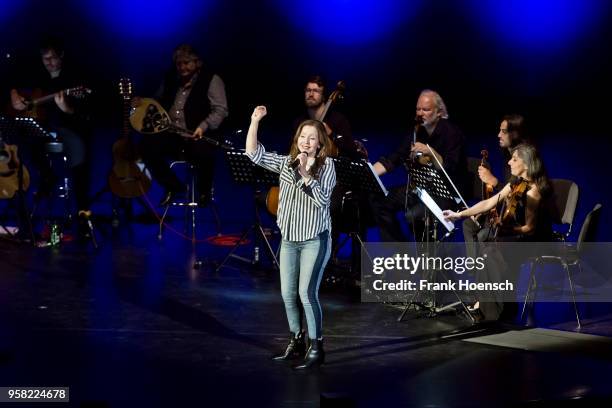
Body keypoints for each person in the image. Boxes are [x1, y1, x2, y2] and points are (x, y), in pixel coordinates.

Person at [246, 105, 336, 370]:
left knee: (306, 293)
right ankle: (296, 341)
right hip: (289, 239)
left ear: (320, 143)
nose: (306, 142)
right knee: (287, 294)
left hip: (314, 239)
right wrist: (255, 121)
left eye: (311, 138)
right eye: (302, 137)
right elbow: (254, 154)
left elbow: (322, 200)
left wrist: (306, 174)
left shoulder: (326, 166)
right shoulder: (287, 162)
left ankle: (316, 346)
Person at [443, 143, 552, 321]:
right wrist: (459, 214)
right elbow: (489, 202)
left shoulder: (534, 191)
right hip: (516, 236)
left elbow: (529, 228)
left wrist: (507, 229)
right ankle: (488, 307)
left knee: (491, 251)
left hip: (533, 241)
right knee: (487, 248)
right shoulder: (516, 182)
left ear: (526, 164)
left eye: (514, 159)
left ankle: (497, 312)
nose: (509, 162)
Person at [9, 36, 92, 237]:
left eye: (53, 58)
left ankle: (82, 216)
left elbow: (84, 114)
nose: (49, 63)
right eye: (45, 59)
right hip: (43, 131)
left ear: (61, 55)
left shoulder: (73, 78)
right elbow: (12, 80)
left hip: (69, 131)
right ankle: (26, 213)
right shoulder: (37, 74)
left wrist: (68, 108)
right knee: (23, 149)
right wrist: (14, 94)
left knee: (79, 157)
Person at [136, 44, 228, 206]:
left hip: (198, 134)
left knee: (204, 151)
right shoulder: (171, 79)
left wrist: (203, 126)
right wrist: (141, 102)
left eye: (186, 63)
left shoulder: (211, 79)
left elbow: (220, 110)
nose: (182, 67)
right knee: (146, 146)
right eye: (179, 64)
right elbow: (157, 101)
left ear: (197, 62)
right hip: (172, 134)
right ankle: (175, 187)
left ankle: (204, 191)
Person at [371, 89, 467, 241]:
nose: (420, 113)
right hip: (422, 189)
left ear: (439, 112)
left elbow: (450, 168)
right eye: (418, 109)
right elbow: (395, 158)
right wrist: (370, 172)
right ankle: (399, 253)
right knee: (380, 201)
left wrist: (431, 152)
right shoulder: (417, 132)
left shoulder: (452, 133)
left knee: (413, 214)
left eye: (426, 109)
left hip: (445, 193)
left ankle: (427, 257)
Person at [463, 114, 531, 250]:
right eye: (500, 130)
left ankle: (487, 269)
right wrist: (481, 210)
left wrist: (493, 181)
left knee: (483, 236)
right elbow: (506, 192)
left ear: (515, 134)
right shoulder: (509, 157)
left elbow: (518, 196)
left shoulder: (524, 159)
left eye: (504, 132)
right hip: (502, 211)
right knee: (468, 225)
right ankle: (475, 269)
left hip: (518, 219)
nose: (499, 135)